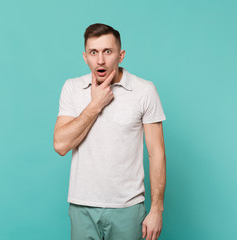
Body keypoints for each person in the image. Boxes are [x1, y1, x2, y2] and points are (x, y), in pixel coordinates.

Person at [53, 23, 166, 240]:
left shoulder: (144, 91)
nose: (101, 60)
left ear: (120, 55)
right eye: (93, 52)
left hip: (128, 208)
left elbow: (157, 154)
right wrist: (96, 104)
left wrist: (157, 210)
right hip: (82, 207)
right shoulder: (72, 88)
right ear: (85, 57)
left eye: (108, 51)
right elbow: (60, 145)